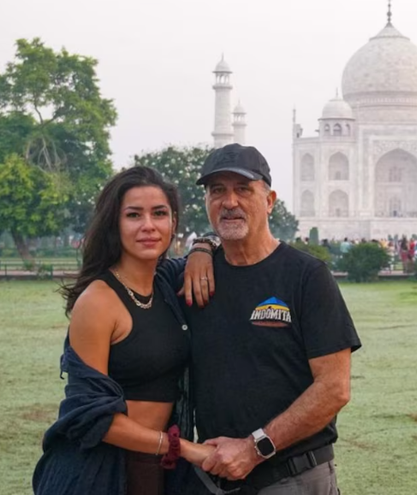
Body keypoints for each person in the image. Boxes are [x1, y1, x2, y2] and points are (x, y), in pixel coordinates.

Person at [171, 144, 361, 494]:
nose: (229, 201)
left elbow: (334, 388)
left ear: (269, 200)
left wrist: (255, 448)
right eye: (217, 191)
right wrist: (202, 245)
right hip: (216, 476)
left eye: (243, 189)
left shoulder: (306, 276)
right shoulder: (194, 280)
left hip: (292, 476)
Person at [33, 167, 213, 495]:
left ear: (173, 222)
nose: (148, 225)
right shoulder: (99, 301)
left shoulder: (164, 280)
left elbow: (196, 257)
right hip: (100, 470)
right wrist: (183, 447)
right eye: (133, 215)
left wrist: (202, 246)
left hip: (156, 467)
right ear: (114, 224)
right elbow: (89, 415)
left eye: (159, 213)